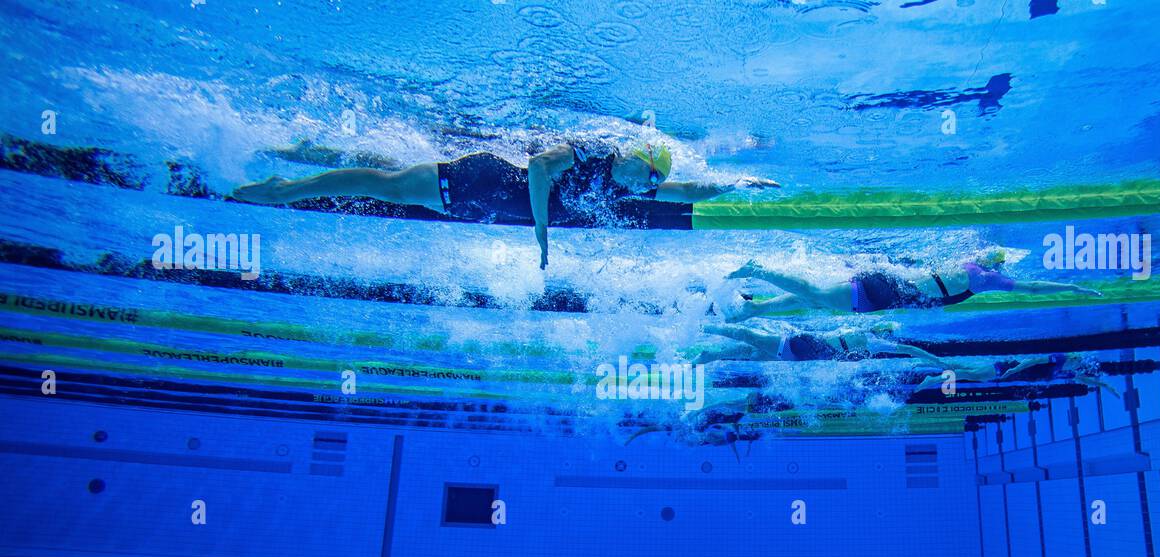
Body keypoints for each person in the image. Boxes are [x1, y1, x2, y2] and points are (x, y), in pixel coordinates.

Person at [234, 140, 778, 268]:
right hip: (482, 180)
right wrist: (542, 234)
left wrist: (742, 183)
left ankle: (301, 163)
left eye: (656, 179)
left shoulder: (625, 187)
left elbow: (687, 192)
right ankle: (285, 190)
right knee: (388, 184)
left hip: (483, 206)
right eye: (652, 172)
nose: (651, 184)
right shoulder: (593, 152)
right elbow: (540, 166)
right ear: (638, 156)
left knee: (386, 178)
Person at [719, 249, 1101, 320]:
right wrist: (1074, 290)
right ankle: (759, 270)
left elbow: (1034, 285)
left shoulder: (959, 260)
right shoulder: (986, 279)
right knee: (818, 296)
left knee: (819, 301)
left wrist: (1074, 290)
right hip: (883, 294)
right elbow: (1033, 287)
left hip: (884, 285)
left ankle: (756, 307)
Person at [698, 322, 947, 365]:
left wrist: (937, 360)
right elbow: (910, 350)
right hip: (802, 355)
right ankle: (711, 355)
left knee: (749, 339)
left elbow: (910, 349)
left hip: (804, 347)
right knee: (751, 351)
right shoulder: (869, 340)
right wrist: (936, 360)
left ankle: (706, 327)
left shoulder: (872, 340)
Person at [913, 352, 1121, 397]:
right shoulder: (1059, 359)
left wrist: (1106, 386)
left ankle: (930, 364)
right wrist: (1014, 370)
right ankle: (932, 378)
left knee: (964, 370)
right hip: (1005, 368)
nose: (1077, 369)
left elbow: (1083, 379)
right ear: (1074, 358)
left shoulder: (1065, 371)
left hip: (1007, 373)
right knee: (970, 375)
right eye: (1078, 364)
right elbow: (1035, 360)